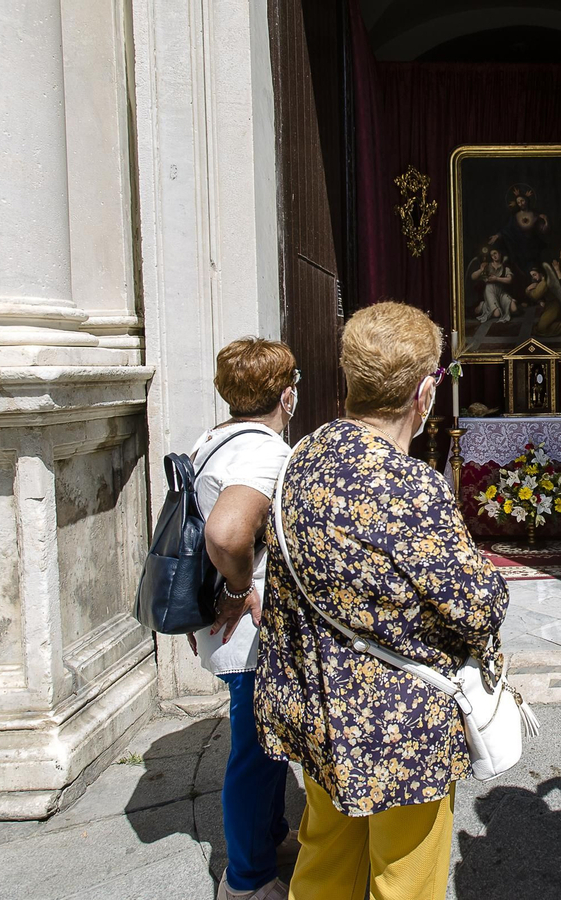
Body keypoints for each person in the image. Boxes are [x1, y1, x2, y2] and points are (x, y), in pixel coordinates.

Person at [255, 301, 510, 900]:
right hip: (398, 724)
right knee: (405, 881)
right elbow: (478, 606)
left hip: (316, 701)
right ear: (424, 392)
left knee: (323, 865)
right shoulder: (408, 483)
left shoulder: (305, 454)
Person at [189, 337, 303, 900]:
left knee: (264, 742)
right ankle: (247, 881)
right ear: (287, 394)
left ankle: (271, 836)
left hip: (233, 625)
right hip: (248, 625)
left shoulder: (216, 440)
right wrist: (238, 589)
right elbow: (227, 532)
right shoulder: (263, 451)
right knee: (255, 752)